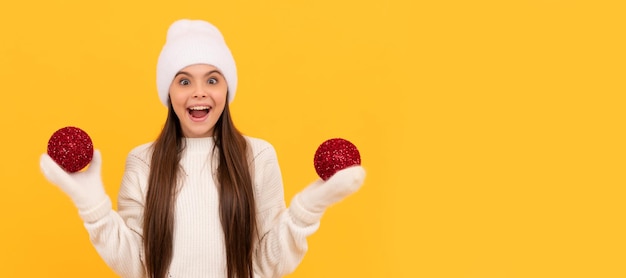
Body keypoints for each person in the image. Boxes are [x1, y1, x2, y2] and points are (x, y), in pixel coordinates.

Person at [39, 19, 366, 278]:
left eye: (212, 80)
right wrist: (94, 209)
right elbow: (138, 267)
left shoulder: (258, 156)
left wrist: (307, 209)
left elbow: (267, 267)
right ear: (168, 92)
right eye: (184, 81)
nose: (199, 92)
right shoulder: (142, 161)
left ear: (227, 88)